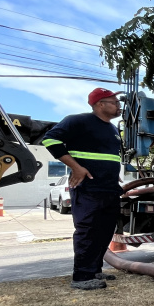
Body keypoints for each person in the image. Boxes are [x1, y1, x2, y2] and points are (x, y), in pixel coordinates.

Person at [42, 88, 124, 290]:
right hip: (88, 188)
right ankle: (81, 276)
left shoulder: (113, 130)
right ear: (100, 104)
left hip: (109, 189)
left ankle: (94, 269)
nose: (118, 105)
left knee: (104, 231)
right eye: (113, 101)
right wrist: (76, 167)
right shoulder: (77, 121)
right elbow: (50, 140)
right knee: (87, 231)